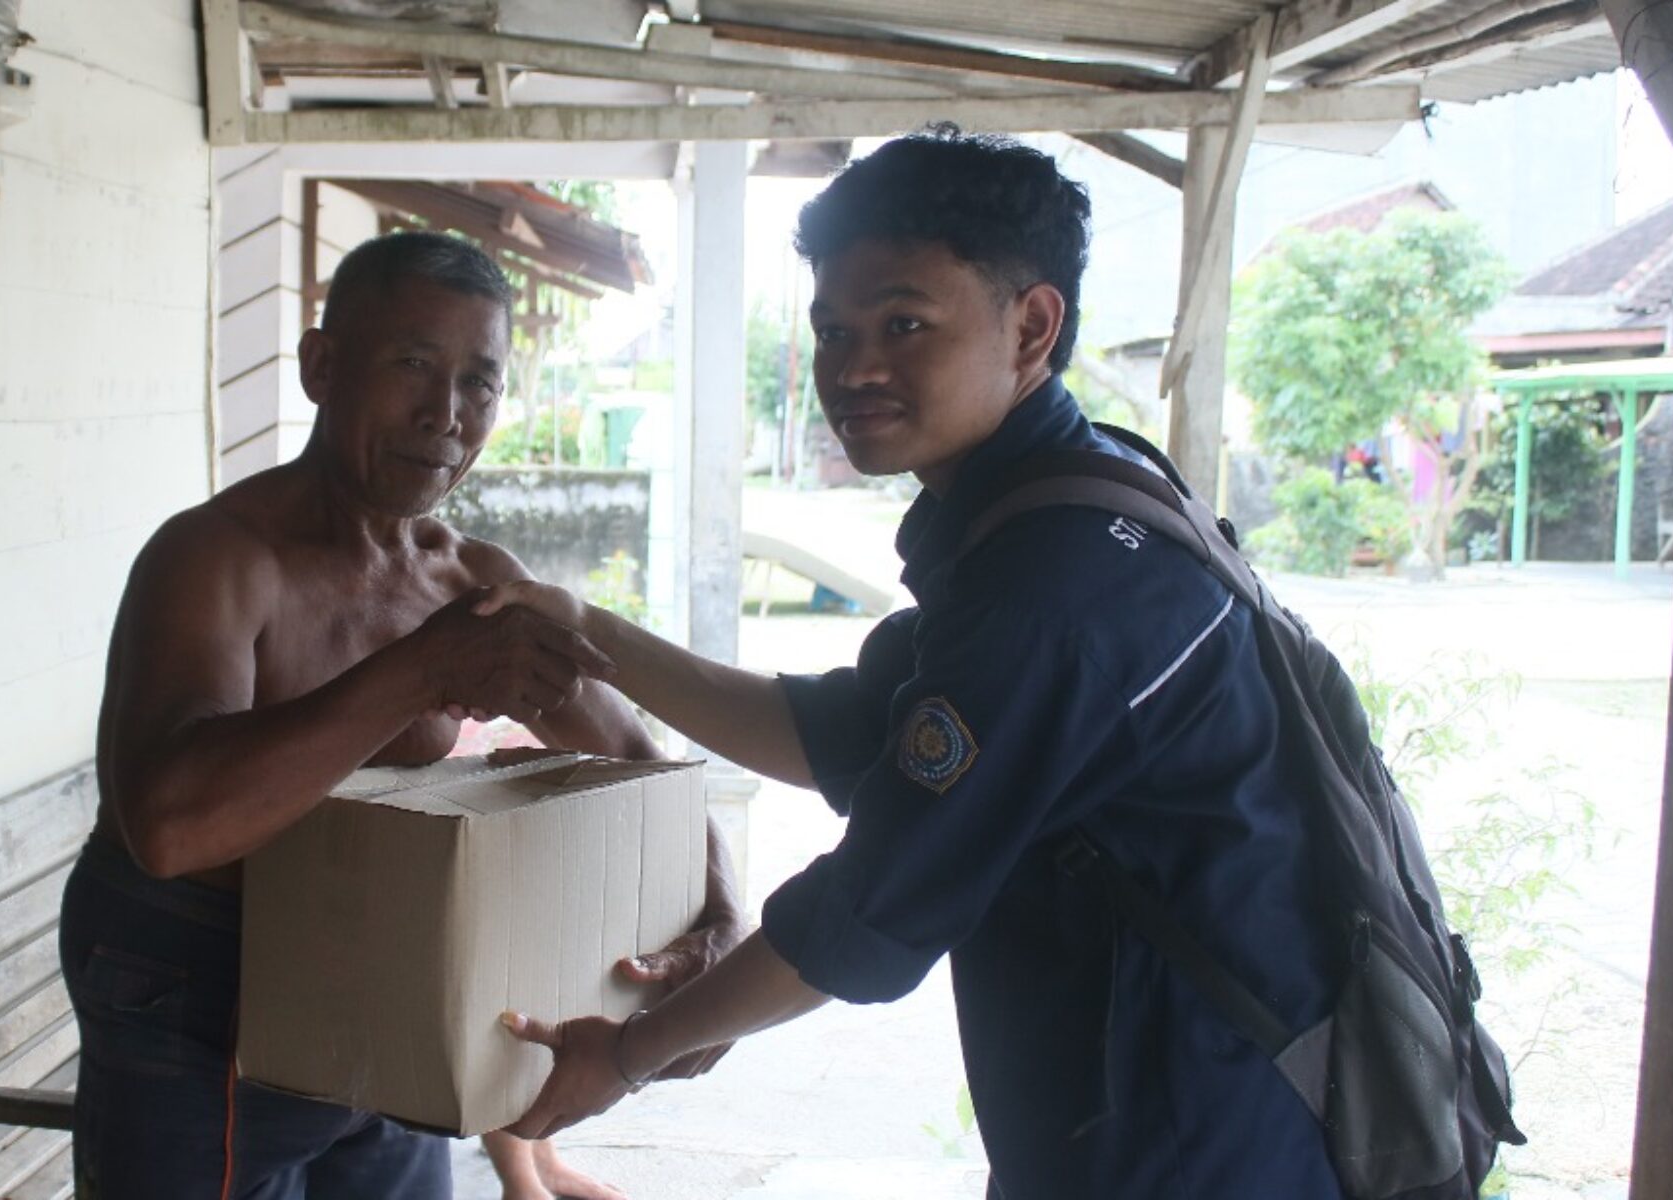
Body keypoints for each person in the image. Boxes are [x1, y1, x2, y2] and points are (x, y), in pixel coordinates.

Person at [483, 129, 1347, 1199]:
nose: (853, 369)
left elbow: (869, 910)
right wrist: (587, 632)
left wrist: (624, 1054)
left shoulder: (1054, 587)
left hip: (1195, 1136)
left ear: (1031, 325)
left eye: (904, 323)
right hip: (1144, 1112)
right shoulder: (1061, 501)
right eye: (832, 329)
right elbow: (838, 735)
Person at [65, 230, 741, 1200]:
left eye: (480, 383)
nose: (446, 415)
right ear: (320, 366)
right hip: (193, 979)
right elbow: (171, 829)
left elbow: (631, 754)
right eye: (413, 364)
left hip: (374, 968)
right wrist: (423, 670)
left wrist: (721, 907)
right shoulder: (217, 558)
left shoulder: (471, 581)